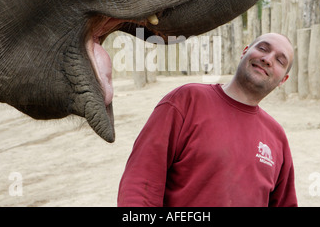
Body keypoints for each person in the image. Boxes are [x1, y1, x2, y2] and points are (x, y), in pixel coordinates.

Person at [117, 33, 298, 207]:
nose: (267, 58)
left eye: (280, 60)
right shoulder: (186, 101)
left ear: (283, 80)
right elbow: (142, 180)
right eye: (263, 48)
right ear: (244, 52)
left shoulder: (276, 137)